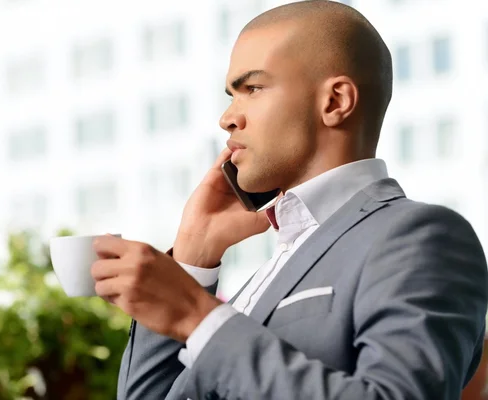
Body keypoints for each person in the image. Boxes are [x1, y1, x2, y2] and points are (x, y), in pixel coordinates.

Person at [90, 1, 488, 399]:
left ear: (335, 102)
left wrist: (199, 319)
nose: (227, 117)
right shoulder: (267, 272)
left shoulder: (423, 237)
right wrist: (195, 254)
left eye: (253, 88)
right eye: (232, 94)